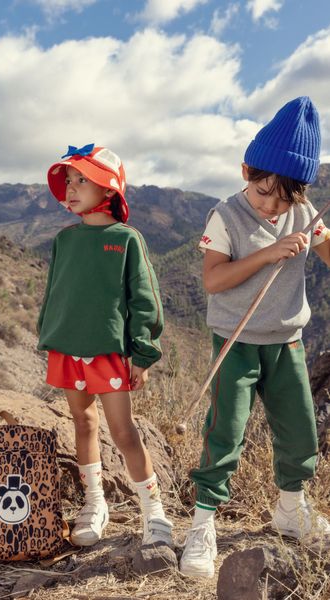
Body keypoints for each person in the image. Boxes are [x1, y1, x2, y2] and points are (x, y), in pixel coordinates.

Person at [180, 97, 330, 579]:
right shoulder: (225, 216)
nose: (272, 206)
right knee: (226, 431)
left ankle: (290, 509)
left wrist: (314, 233)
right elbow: (213, 280)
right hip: (236, 342)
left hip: (286, 342)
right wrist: (269, 254)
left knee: (298, 430)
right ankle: (203, 524)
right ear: (247, 170)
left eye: (285, 199)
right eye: (264, 192)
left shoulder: (303, 213)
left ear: (301, 194)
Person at [37, 144, 173, 548]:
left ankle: (155, 512)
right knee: (83, 423)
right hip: (67, 348)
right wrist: (49, 332)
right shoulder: (64, 240)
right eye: (70, 180)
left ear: (109, 190)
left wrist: (143, 352)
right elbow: (54, 292)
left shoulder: (126, 239)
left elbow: (144, 299)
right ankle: (95, 503)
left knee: (124, 430)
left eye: (83, 180)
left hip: (109, 354)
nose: (72, 188)